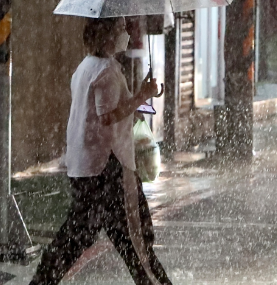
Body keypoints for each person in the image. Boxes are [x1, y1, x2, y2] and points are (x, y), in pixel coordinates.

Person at [29, 17, 172, 285]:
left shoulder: (84, 68)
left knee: (75, 237)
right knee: (137, 242)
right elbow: (107, 118)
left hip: (85, 168)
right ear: (106, 36)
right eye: (119, 28)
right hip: (110, 170)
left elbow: (97, 117)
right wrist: (142, 96)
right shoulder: (106, 71)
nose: (125, 33)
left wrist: (136, 103)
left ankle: (41, 281)